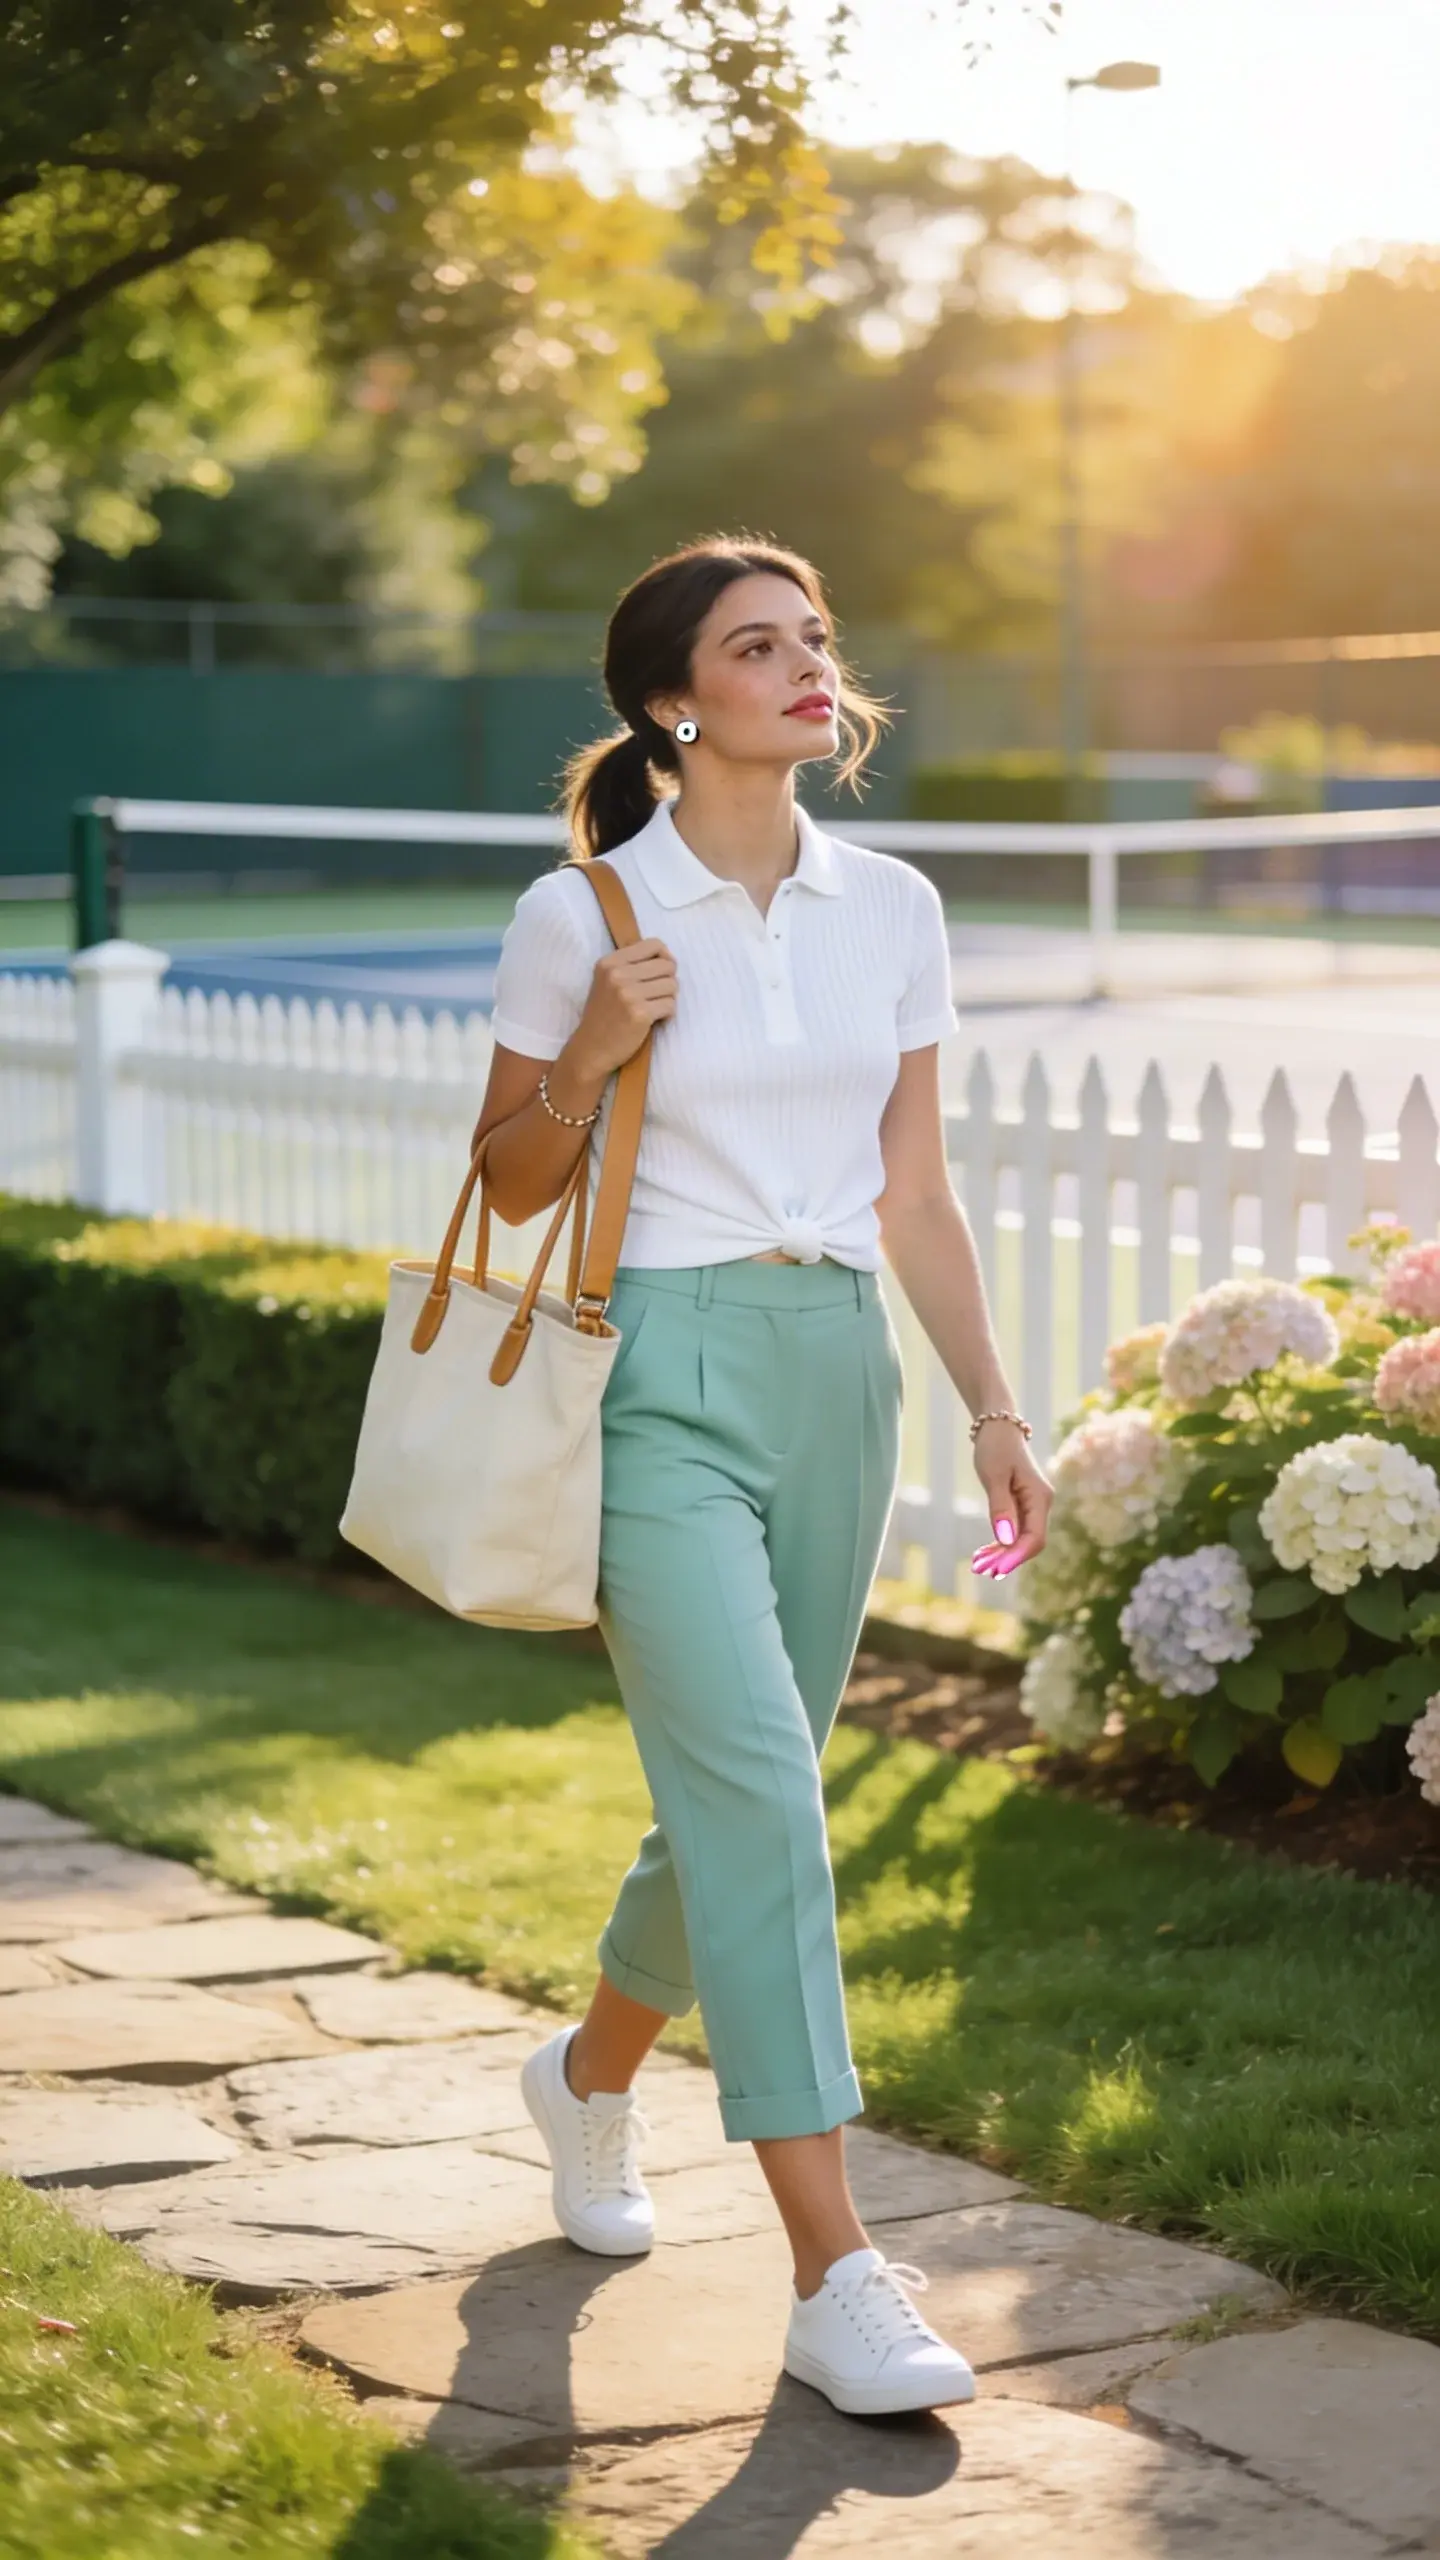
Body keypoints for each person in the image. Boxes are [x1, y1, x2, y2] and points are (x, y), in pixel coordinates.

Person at [472, 536, 1051, 2419]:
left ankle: (585, 2081)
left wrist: (988, 1405)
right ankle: (835, 2270)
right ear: (673, 702)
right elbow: (511, 1179)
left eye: (815, 638)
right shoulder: (585, 916)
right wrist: (592, 1044)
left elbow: (917, 1193)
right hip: (655, 1374)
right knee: (769, 1816)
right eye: (758, 646)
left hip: (837, 1374)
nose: (810, 667)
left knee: (746, 1794)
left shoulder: (894, 903)